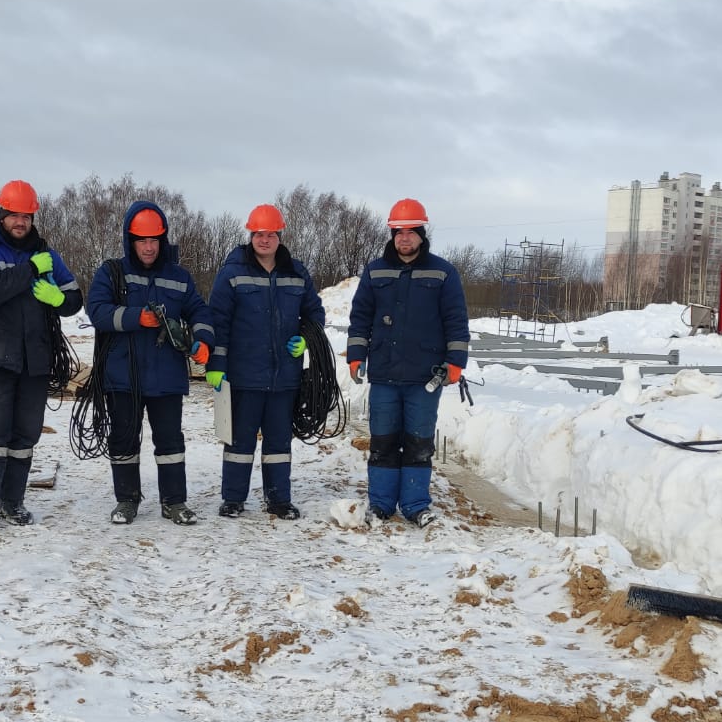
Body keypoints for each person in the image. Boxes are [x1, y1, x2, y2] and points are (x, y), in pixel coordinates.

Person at [0, 179, 83, 531]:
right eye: (14, 215)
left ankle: (11, 501)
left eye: (26, 217)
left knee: (25, 435)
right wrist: (30, 270)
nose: (20, 222)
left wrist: (58, 299)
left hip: (35, 358)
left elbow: (75, 299)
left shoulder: (49, 256)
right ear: (2, 216)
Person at [85, 200, 214, 525]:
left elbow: (200, 311)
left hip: (166, 375)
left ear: (162, 239)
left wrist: (203, 340)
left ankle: (174, 502)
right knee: (123, 440)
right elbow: (97, 311)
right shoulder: (112, 272)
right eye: (141, 240)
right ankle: (127, 500)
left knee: (170, 441)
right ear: (130, 241)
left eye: (154, 240)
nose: (148, 247)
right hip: (122, 375)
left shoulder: (179, 277)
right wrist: (135, 317)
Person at [346, 198, 470, 527]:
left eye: (411, 232)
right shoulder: (375, 271)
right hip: (384, 374)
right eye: (399, 232)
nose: (404, 238)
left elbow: (456, 320)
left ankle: (415, 505)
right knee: (383, 442)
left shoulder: (443, 272)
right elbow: (360, 318)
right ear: (392, 234)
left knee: (418, 443)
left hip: (424, 376)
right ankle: (381, 504)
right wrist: (356, 355)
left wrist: (456, 361)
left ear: (421, 234)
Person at [205, 203, 326, 520]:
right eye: (259, 234)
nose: (264, 240)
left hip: (284, 377)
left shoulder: (296, 272)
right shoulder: (232, 273)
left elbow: (315, 313)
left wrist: (306, 337)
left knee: (279, 444)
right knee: (239, 442)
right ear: (251, 235)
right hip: (244, 376)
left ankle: (279, 500)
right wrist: (216, 364)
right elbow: (218, 321)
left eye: (271, 234)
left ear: (279, 236)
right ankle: (233, 499)